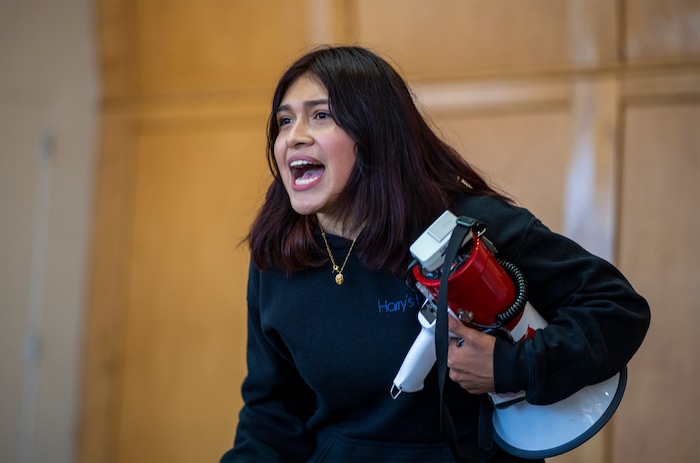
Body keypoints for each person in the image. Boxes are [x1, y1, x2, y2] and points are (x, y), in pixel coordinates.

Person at [220, 45, 650, 462]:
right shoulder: (278, 257)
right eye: (284, 121)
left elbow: (617, 310)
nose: (293, 137)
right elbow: (272, 415)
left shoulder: (472, 227)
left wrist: (510, 366)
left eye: (320, 115)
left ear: (374, 132)